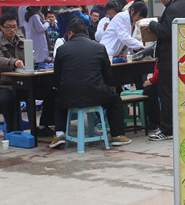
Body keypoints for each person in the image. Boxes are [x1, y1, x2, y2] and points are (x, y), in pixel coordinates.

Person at [49, 18, 131, 148]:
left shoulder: (62, 49)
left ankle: (59, 134)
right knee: (115, 101)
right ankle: (117, 136)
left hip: (69, 96)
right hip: (96, 94)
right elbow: (108, 76)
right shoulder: (99, 47)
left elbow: (57, 78)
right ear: (86, 32)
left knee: (58, 100)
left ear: (70, 33)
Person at [146, 0, 185, 140]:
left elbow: (167, 31)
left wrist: (153, 25)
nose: (162, 2)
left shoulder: (173, 8)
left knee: (166, 95)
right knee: (179, 95)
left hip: (170, 59)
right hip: (183, 57)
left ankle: (167, 130)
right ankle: (179, 127)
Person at [0, 13, 55, 134]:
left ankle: (43, 125)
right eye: (8, 27)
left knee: (51, 92)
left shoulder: (22, 41)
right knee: (7, 99)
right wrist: (14, 63)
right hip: (6, 84)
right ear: (1, 27)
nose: (12, 30)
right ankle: (12, 131)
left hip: (25, 83)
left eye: (14, 26)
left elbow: (32, 59)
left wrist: (30, 59)